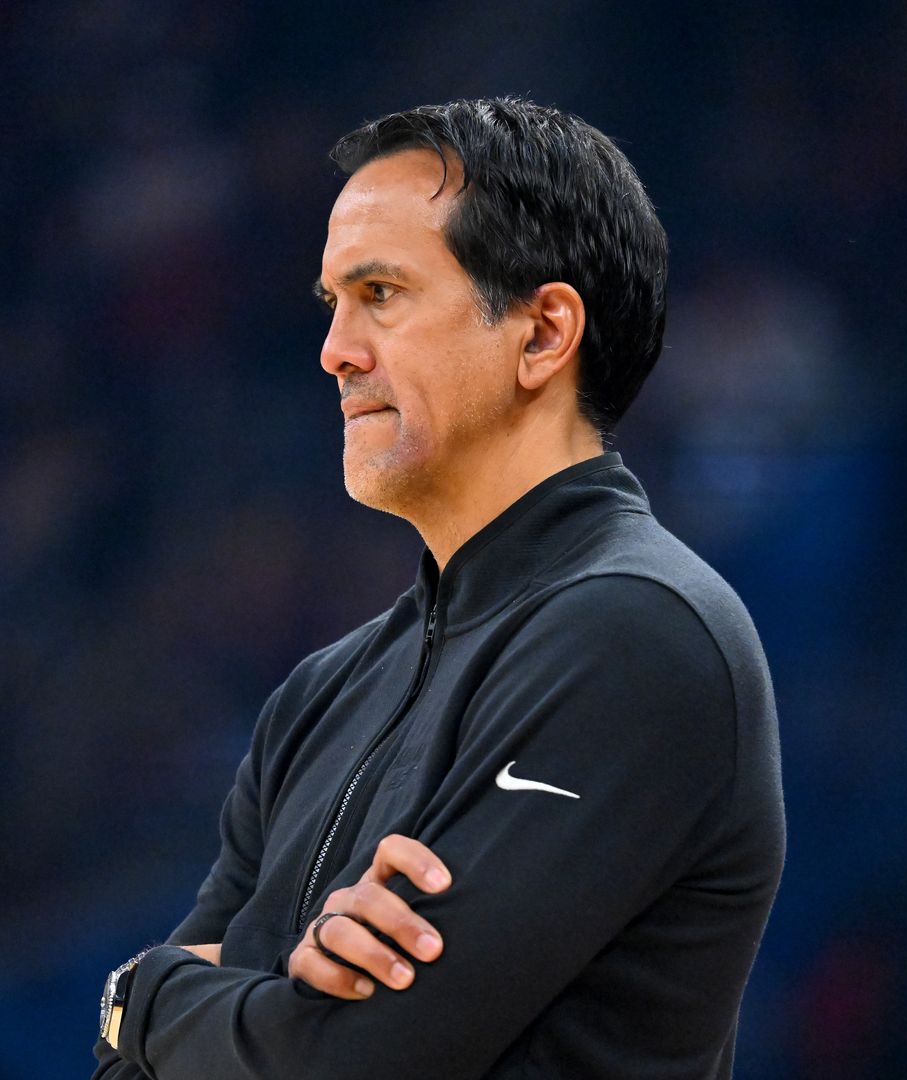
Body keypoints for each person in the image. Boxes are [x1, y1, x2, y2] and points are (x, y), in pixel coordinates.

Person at [93, 97, 785, 1080]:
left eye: (381, 294)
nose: (334, 350)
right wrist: (265, 996)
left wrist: (144, 994)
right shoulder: (317, 695)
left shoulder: (642, 637)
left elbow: (353, 1065)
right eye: (331, 301)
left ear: (544, 334)